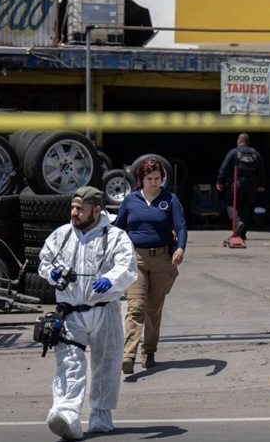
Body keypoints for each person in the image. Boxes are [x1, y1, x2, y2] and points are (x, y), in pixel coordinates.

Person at [38, 186, 137, 440]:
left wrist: (111, 280)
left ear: (96, 209)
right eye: (73, 207)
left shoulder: (115, 237)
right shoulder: (61, 236)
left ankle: (101, 415)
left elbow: (127, 266)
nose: (75, 212)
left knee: (107, 364)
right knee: (69, 363)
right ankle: (66, 414)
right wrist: (51, 273)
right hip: (71, 312)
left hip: (105, 311)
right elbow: (44, 261)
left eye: (80, 208)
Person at [115, 157, 188, 375]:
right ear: (141, 179)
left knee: (153, 309)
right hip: (136, 259)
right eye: (150, 179)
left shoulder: (170, 200)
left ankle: (149, 351)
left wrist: (180, 248)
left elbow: (181, 226)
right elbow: (118, 228)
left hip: (162, 258)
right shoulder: (130, 200)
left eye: (157, 178)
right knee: (135, 307)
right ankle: (128, 355)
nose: (154, 182)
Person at [215, 133, 266, 240]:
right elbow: (261, 170)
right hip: (251, 185)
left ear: (238, 142)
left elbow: (224, 167)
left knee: (229, 204)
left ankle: (237, 222)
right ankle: (242, 234)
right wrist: (261, 184)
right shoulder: (255, 154)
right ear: (248, 143)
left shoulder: (234, 152)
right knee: (245, 208)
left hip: (236, 184)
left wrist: (219, 181)